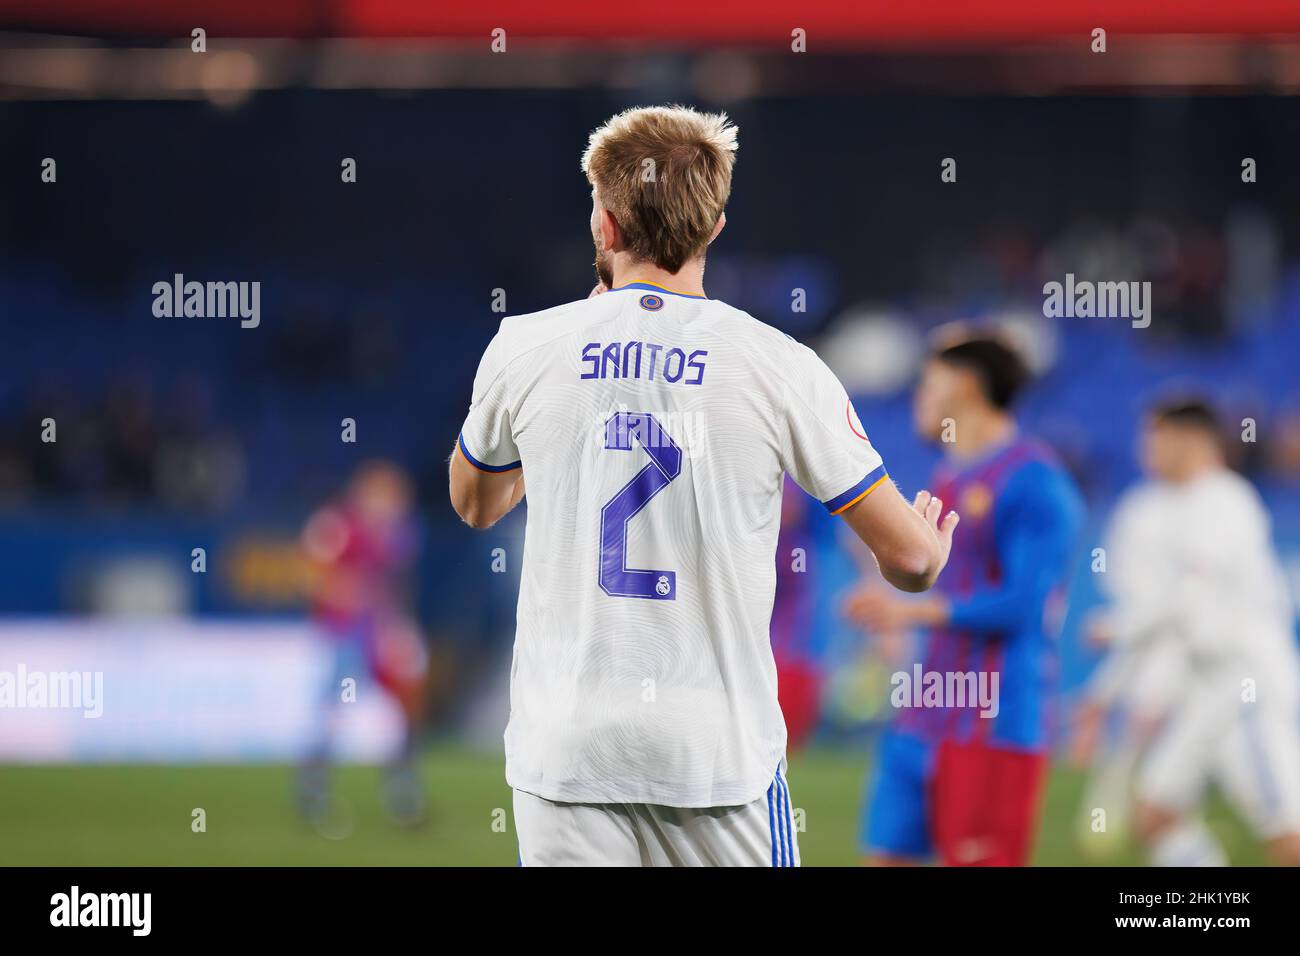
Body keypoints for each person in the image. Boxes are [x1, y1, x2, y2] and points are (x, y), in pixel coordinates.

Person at [448, 105, 958, 866]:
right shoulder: (778, 363)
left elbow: (475, 503)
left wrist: (568, 410)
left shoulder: (525, 346)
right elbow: (912, 563)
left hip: (568, 752)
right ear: (714, 227)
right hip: (717, 755)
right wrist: (931, 549)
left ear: (606, 226)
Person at [846, 333, 1084, 866]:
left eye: (929, 383)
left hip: (994, 721)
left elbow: (1026, 606)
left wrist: (908, 612)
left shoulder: (1037, 483)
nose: (919, 399)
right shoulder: (948, 478)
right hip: (924, 712)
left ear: (968, 385)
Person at [1077, 399, 1300, 866]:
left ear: (1192, 440)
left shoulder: (1227, 502)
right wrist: (1105, 692)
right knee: (1153, 817)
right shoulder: (1157, 508)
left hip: (1247, 688)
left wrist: (1116, 630)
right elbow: (1170, 617)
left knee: (1287, 834)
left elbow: (1187, 597)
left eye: (1155, 435)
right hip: (1206, 689)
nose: (1146, 447)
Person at [299, 460, 429, 828]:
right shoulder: (338, 526)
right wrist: (355, 596)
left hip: (377, 632)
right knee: (333, 715)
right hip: (346, 633)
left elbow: (393, 586)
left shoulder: (395, 534)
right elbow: (318, 577)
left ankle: (404, 795)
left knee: (399, 712)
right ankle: (312, 793)